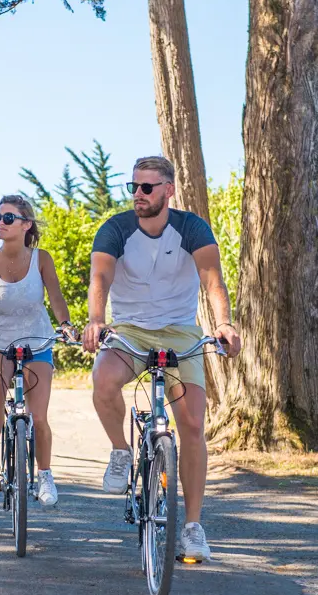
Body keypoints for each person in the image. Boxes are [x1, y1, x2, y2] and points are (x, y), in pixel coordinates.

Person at [81, 156, 243, 562]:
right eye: (133, 187)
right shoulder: (115, 229)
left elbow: (212, 280)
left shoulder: (190, 228)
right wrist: (96, 321)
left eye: (147, 188)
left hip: (180, 332)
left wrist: (223, 324)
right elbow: (100, 278)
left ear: (168, 189)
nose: (138, 194)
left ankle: (192, 527)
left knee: (191, 423)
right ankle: (120, 451)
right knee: (103, 381)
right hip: (130, 330)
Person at [0, 194, 77, 507]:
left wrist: (65, 324)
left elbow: (56, 298)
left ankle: (46, 476)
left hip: (37, 341)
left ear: (25, 224)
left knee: (38, 417)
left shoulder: (42, 259)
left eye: (8, 218)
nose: (1, 224)